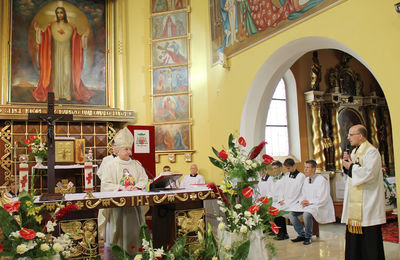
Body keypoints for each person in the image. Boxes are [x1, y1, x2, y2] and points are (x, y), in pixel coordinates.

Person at [98, 127, 148, 258]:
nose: (129, 151)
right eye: (126, 149)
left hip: (134, 209)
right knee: (119, 237)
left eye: (130, 149)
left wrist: (136, 187)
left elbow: (144, 180)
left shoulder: (136, 164)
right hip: (117, 210)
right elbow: (105, 185)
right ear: (118, 150)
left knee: (136, 236)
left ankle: (137, 256)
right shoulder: (110, 165)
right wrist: (122, 189)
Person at [342, 125, 386, 260]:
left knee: (369, 238)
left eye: (351, 134)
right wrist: (347, 164)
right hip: (355, 205)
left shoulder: (371, 152)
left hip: (368, 203)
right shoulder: (355, 152)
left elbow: (369, 174)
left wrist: (351, 167)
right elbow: (351, 174)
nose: (348, 137)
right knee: (354, 239)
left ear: (360, 135)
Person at [33, 6, 93, 103]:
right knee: (56, 72)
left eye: (61, 12)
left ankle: (66, 93)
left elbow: (77, 39)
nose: (59, 14)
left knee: (66, 71)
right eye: (58, 13)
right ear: (56, 14)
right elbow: (45, 37)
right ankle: (56, 94)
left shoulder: (71, 26)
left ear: (64, 13)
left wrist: (84, 36)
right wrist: (38, 31)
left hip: (67, 51)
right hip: (56, 51)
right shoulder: (51, 25)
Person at [288, 160, 335, 245]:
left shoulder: (321, 180)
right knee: (291, 214)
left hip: (318, 204)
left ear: (313, 169)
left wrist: (310, 202)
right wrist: (302, 201)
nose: (305, 169)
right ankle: (302, 234)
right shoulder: (306, 180)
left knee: (306, 214)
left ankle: (308, 236)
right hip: (307, 204)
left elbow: (323, 197)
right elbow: (303, 194)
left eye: (307, 167)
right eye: (305, 167)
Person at [260, 160, 288, 240]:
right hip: (274, 200)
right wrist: (268, 200)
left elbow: (286, 191)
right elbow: (270, 191)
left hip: (283, 200)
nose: (274, 170)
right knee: (267, 208)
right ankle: (276, 231)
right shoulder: (272, 179)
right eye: (273, 169)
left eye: (275, 168)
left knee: (278, 210)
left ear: (280, 168)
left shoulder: (285, 178)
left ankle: (284, 233)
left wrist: (281, 199)